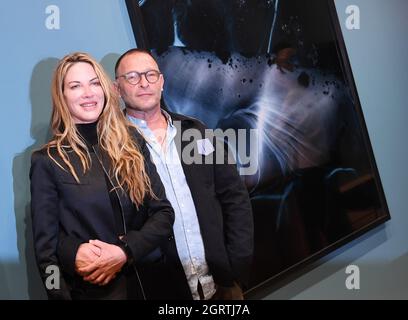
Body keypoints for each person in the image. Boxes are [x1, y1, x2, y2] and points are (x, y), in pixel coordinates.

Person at [30, 52, 175, 300]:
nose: (88, 93)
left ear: (106, 89)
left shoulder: (132, 142)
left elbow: (163, 213)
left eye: (94, 83)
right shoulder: (48, 161)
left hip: (154, 285)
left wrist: (124, 251)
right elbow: (46, 255)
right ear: (62, 96)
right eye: (75, 86)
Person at [114, 48, 254, 300]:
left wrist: (238, 262)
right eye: (132, 77)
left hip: (222, 283)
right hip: (164, 289)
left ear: (162, 82)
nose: (144, 83)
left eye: (150, 75)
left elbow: (234, 197)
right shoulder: (112, 147)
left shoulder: (194, 131)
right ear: (117, 88)